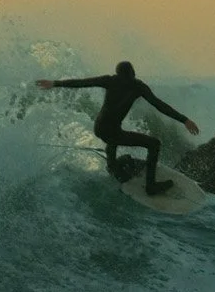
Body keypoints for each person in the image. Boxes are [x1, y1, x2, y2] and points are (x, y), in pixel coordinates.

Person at [37, 61, 199, 196]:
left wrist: (55, 83)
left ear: (118, 73)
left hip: (100, 128)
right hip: (113, 131)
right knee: (154, 144)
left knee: (113, 137)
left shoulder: (110, 80)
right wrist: (184, 120)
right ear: (133, 73)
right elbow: (159, 105)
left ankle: (113, 166)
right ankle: (150, 186)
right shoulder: (138, 86)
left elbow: (83, 83)